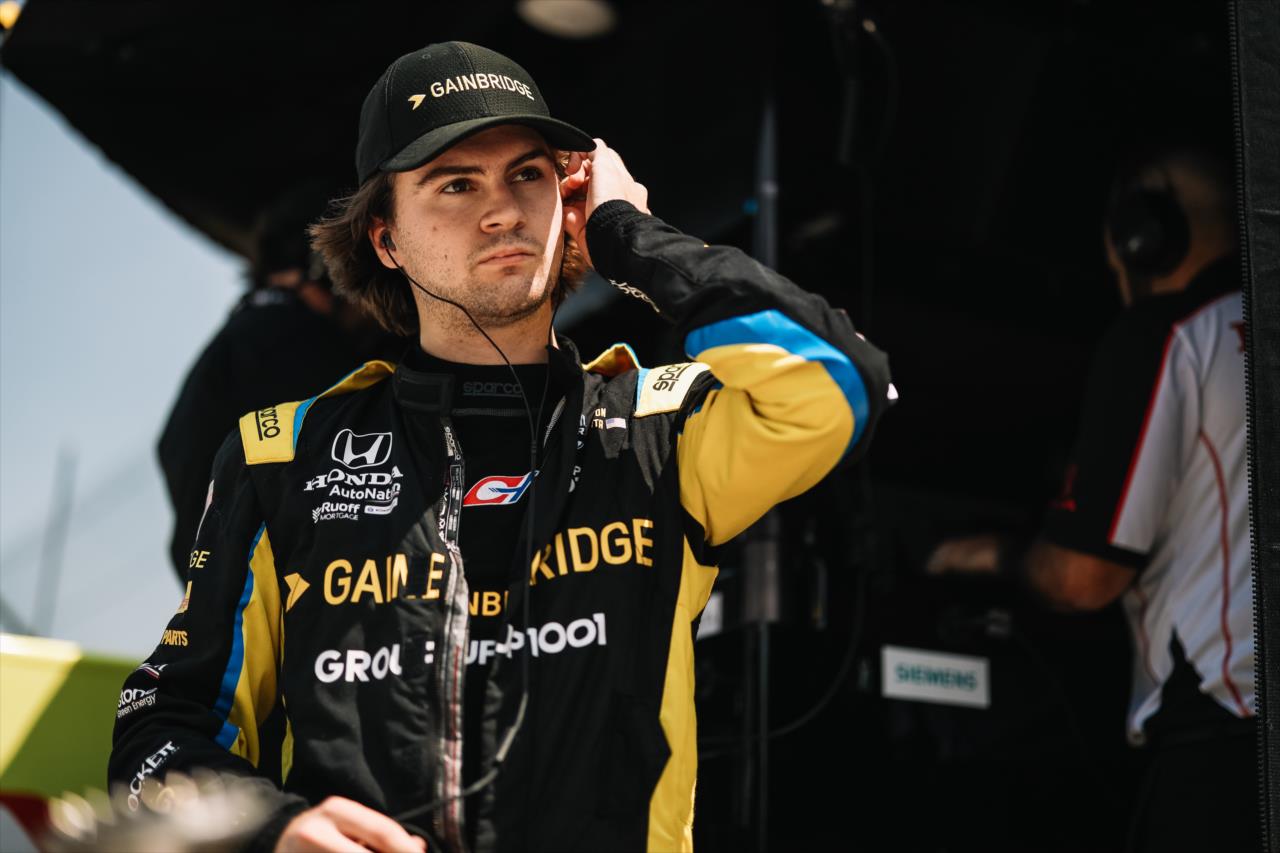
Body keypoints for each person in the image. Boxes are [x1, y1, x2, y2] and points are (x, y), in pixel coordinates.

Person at [109, 41, 893, 853]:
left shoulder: (664, 427)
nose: (503, 210)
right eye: (455, 183)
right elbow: (156, 736)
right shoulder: (284, 459)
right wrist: (275, 830)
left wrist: (631, 237)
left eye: (529, 174)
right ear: (385, 238)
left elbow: (839, 383)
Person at [928, 144, 1256, 852]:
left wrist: (992, 555)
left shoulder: (1168, 334)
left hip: (1227, 746)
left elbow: (1081, 579)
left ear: (1143, 235)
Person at [158, 183, 397, 582]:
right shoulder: (302, 344)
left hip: (227, 608)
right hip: (295, 604)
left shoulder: (237, 341)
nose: (366, 297)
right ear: (323, 266)